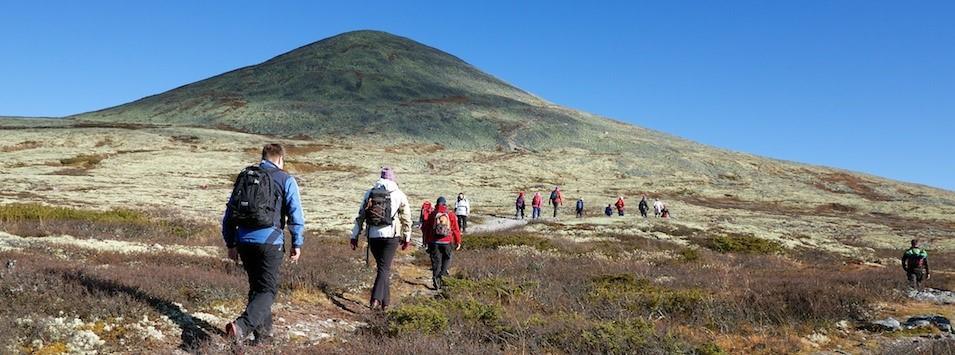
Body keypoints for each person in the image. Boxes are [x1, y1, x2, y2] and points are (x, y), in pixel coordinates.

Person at [222, 143, 305, 345]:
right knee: (267, 290)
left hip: (243, 241)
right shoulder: (286, 179)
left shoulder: (246, 177)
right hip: (270, 241)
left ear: (263, 157)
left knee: (257, 287)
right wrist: (297, 242)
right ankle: (241, 327)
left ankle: (264, 337)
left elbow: (229, 213)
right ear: (279, 159)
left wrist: (230, 243)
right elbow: (296, 214)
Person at [350, 167, 412, 311]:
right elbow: (406, 218)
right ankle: (375, 300)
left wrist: (354, 236)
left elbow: (360, 216)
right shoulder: (399, 194)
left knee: (383, 268)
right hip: (391, 235)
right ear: (393, 178)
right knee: (384, 268)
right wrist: (407, 237)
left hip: (373, 235)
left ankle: (386, 303)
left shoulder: (370, 193)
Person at [423, 196, 462, 290]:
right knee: (447, 258)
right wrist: (458, 241)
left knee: (436, 261)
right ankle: (442, 274)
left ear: (436, 204)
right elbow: (456, 229)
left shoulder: (432, 214)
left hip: (433, 242)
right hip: (447, 241)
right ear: (445, 204)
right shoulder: (450, 214)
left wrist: (425, 241)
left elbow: (426, 229)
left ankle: (436, 279)